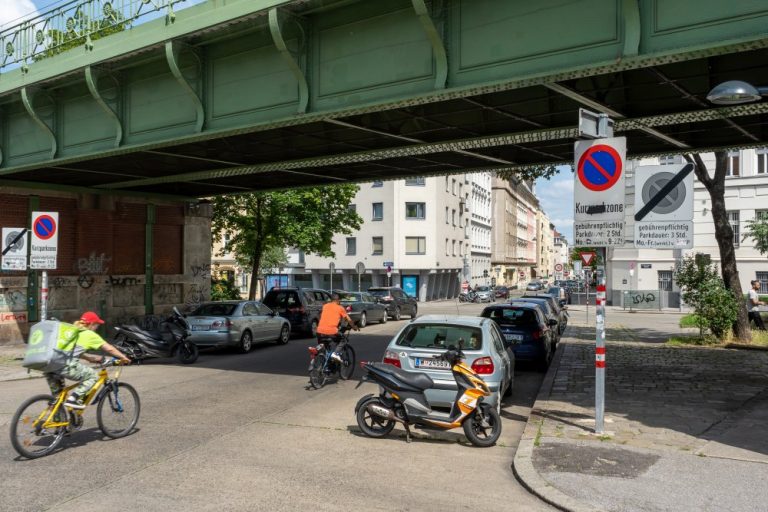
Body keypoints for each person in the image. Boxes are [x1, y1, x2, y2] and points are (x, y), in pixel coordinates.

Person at [45, 311, 131, 409]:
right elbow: (109, 348)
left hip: (50, 365)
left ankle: (57, 421)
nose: (96, 328)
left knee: (58, 399)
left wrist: (89, 358)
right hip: (65, 366)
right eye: (96, 326)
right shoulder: (89, 334)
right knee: (93, 376)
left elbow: (71, 351)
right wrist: (123, 357)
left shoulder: (73, 331)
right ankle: (74, 398)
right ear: (91, 324)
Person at [316, 293, 359, 362]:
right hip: (332, 331)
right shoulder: (340, 308)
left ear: (331, 300)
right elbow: (348, 319)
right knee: (344, 340)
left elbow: (320, 315)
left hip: (319, 331)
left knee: (323, 347)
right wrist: (354, 327)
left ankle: (324, 364)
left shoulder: (325, 306)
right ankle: (335, 354)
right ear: (338, 300)